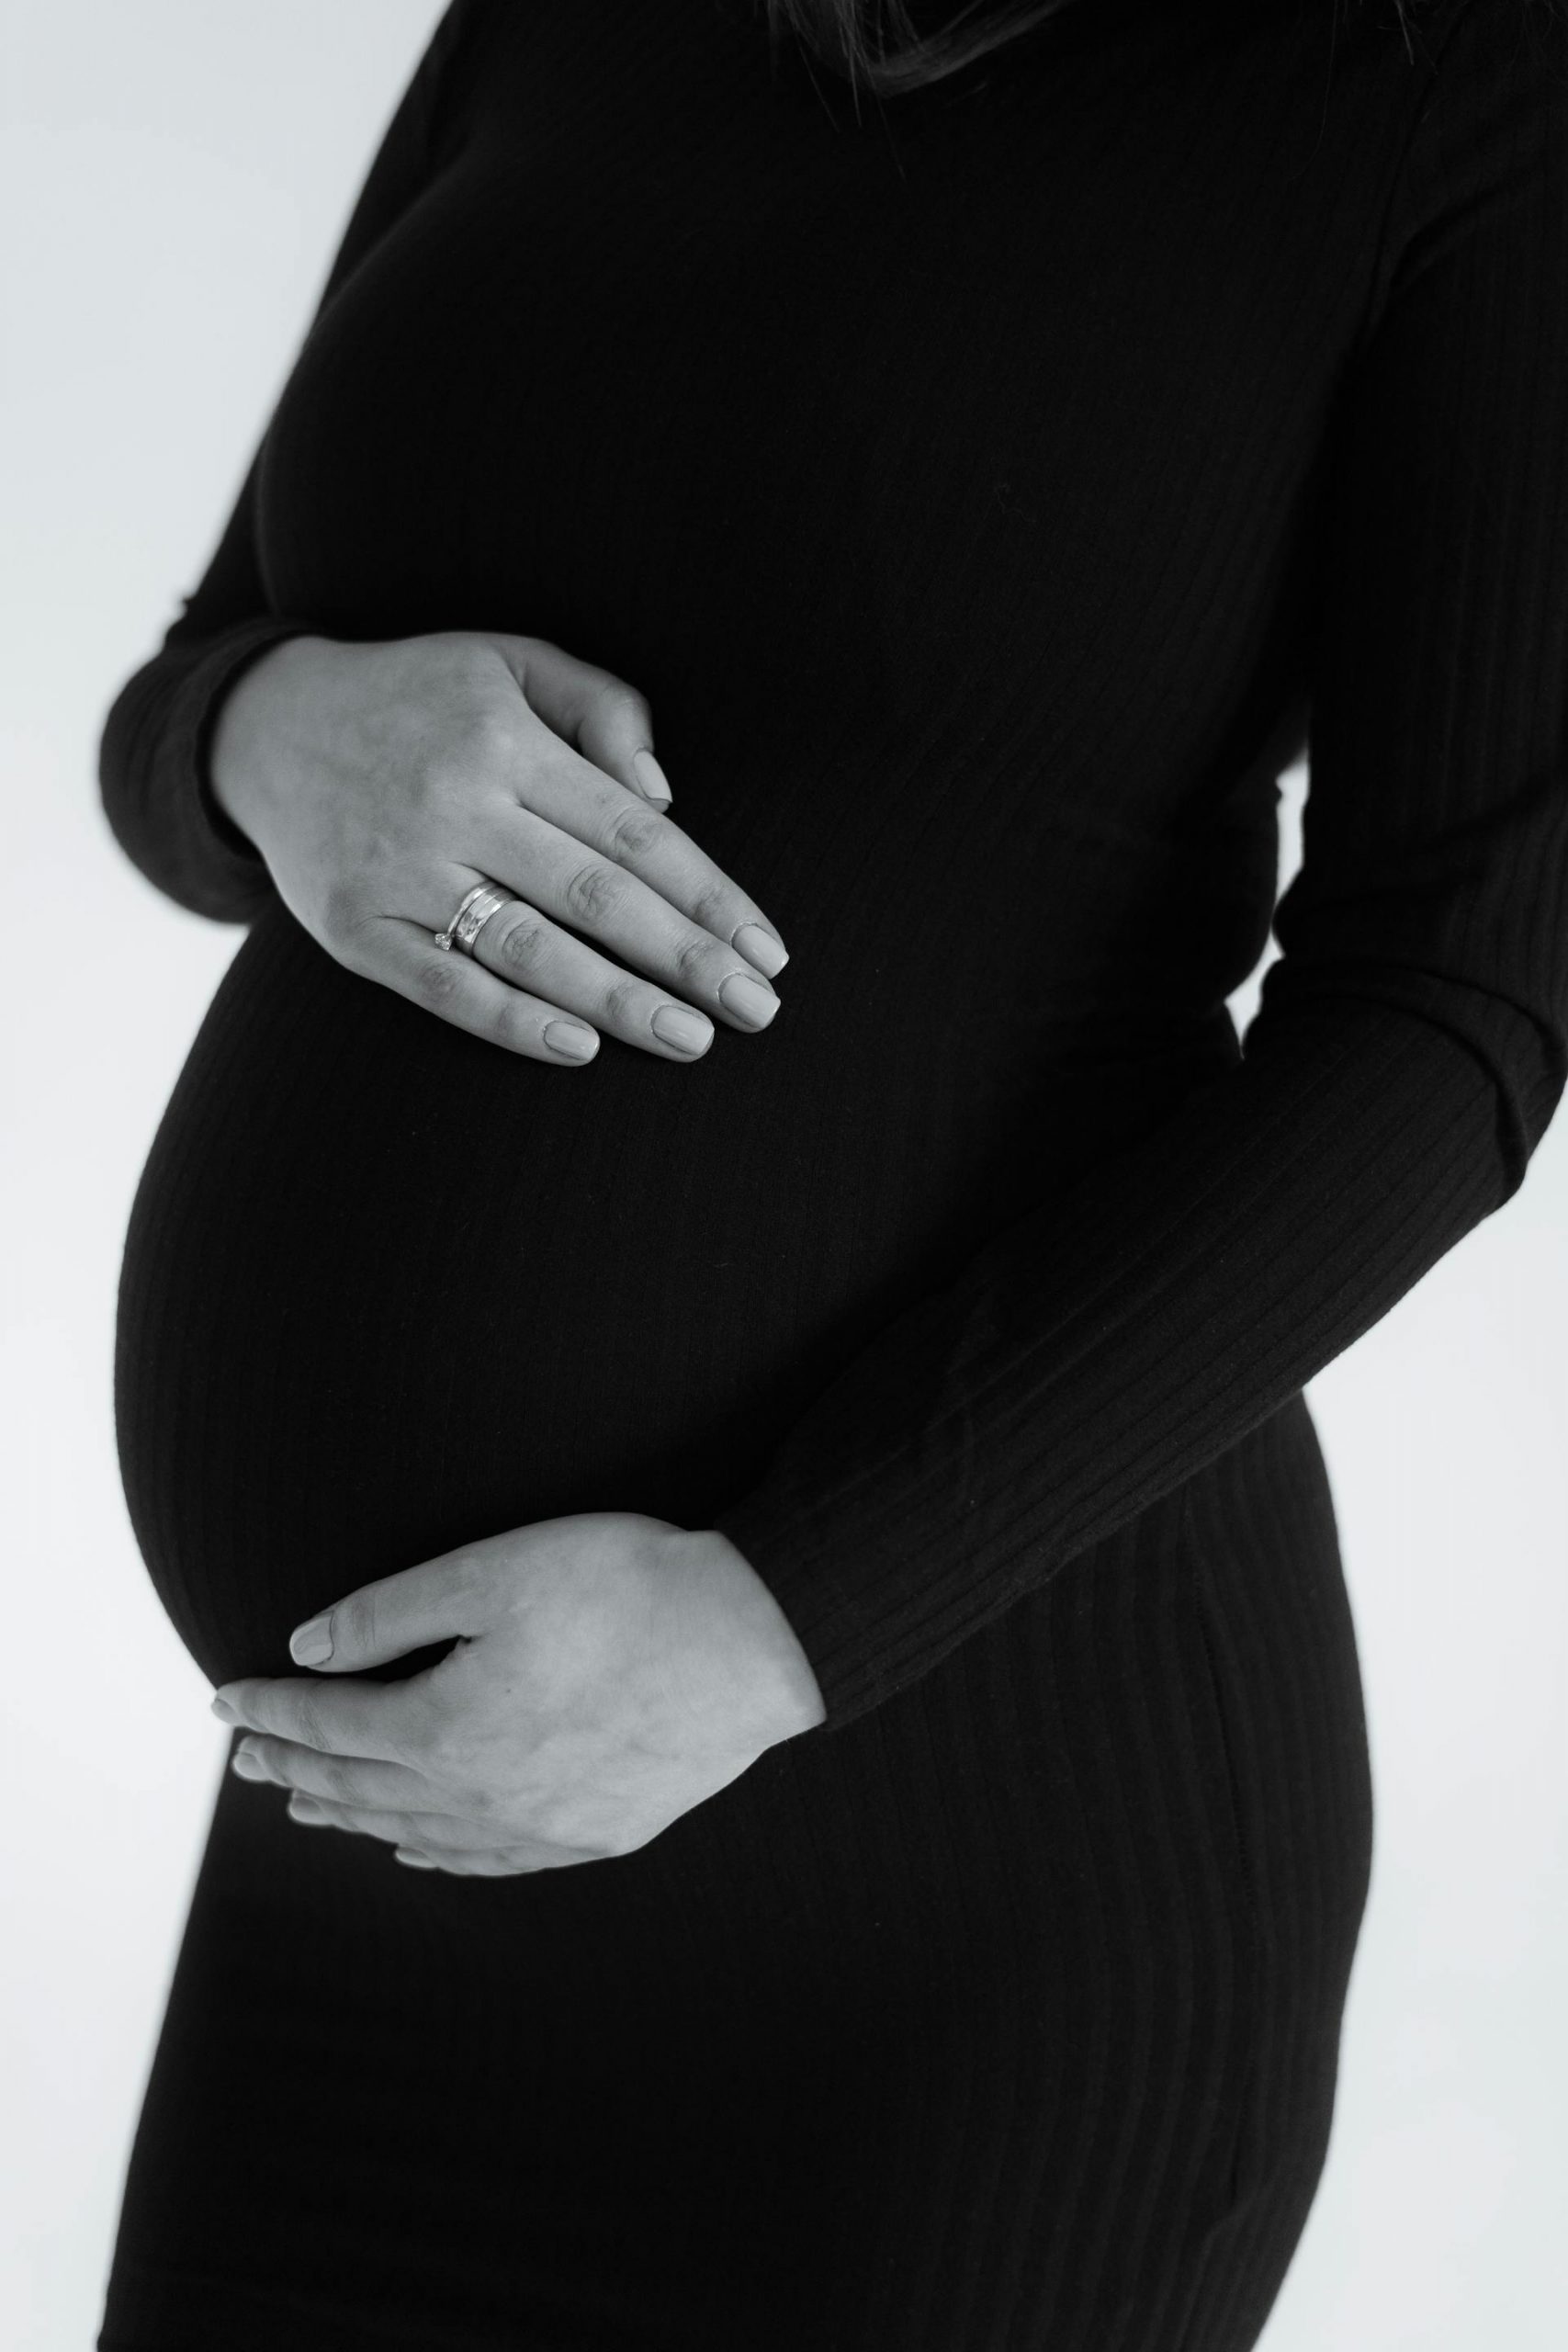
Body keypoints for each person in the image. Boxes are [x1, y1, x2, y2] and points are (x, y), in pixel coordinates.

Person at [95, 1, 1568, 2346]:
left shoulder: (1445, 77)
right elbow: (190, 683)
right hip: (371, 1877)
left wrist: (780, 1624)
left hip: (950, 1892)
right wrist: (271, 739)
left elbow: (1457, 1005)